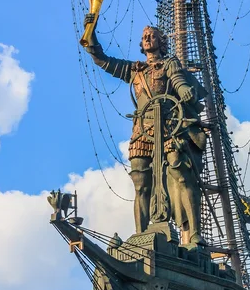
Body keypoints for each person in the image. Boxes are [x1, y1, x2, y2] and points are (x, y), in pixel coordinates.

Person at [83, 14, 206, 246]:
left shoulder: (169, 64)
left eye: (152, 36)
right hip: (142, 130)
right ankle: (142, 233)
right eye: (144, 37)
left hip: (169, 126)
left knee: (179, 171)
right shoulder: (134, 70)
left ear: (161, 41)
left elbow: (178, 80)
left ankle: (193, 231)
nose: (148, 38)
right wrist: (91, 35)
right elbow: (103, 60)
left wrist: (184, 91)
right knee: (140, 180)